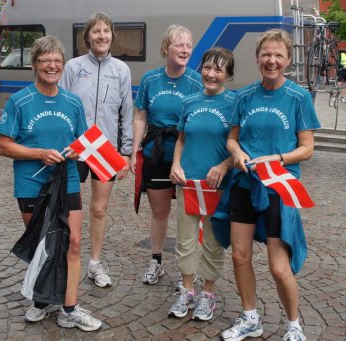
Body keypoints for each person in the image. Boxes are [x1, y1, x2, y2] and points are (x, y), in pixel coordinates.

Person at [220, 29, 320, 341]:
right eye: (266, 55)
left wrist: (275, 158)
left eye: (278, 55)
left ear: (288, 60)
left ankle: (293, 325)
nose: (271, 60)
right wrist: (236, 153)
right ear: (257, 58)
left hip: (279, 186)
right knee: (240, 256)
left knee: (278, 266)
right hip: (245, 183)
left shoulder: (298, 97)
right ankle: (250, 318)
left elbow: (307, 148)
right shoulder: (244, 96)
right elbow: (232, 138)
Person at [0, 35, 102, 331]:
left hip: (67, 180)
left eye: (57, 61)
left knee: (74, 243)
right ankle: (42, 300)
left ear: (63, 64)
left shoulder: (72, 102)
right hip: (32, 185)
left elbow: (83, 142)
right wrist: (38, 153)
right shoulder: (20, 100)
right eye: (45, 61)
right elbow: (3, 146)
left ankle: (70, 307)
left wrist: (79, 150)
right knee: (43, 245)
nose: (52, 66)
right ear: (34, 65)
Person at [59, 12, 133, 288]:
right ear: (86, 36)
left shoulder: (121, 70)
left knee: (99, 209)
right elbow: (61, 106)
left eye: (106, 31)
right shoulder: (73, 67)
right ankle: (67, 259)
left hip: (105, 149)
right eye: (96, 31)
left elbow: (127, 112)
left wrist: (126, 152)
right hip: (76, 148)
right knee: (68, 208)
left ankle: (94, 264)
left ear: (112, 35)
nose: (101, 36)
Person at [130, 25, 202, 287]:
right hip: (155, 155)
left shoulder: (196, 80)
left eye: (188, 45)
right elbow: (140, 115)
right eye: (179, 45)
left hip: (186, 159)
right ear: (166, 48)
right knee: (159, 212)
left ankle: (188, 271)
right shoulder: (150, 79)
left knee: (188, 216)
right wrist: (135, 149)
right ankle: (156, 261)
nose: (185, 50)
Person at [168, 47, 235, 321]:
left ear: (228, 75)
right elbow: (181, 140)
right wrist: (175, 165)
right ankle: (186, 291)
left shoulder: (234, 103)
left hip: (216, 185)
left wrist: (225, 165)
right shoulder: (189, 102)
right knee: (185, 241)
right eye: (207, 67)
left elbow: (240, 145)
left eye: (218, 69)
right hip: (188, 182)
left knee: (213, 242)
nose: (211, 73)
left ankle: (208, 294)